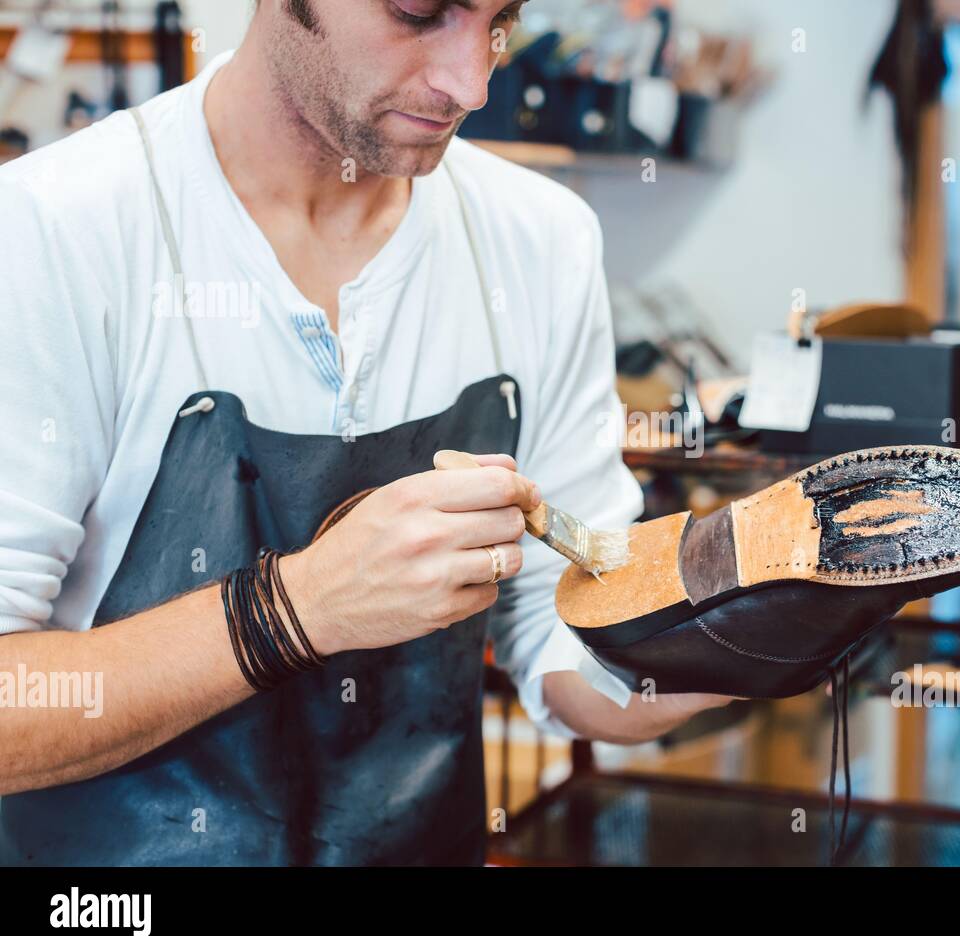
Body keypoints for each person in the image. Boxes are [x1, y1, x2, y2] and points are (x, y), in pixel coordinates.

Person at [0, 0, 731, 865]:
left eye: (501, 20)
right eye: (419, 12)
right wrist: (296, 609)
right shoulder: (52, 232)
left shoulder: (540, 242)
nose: (473, 81)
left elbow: (559, 634)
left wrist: (741, 640)